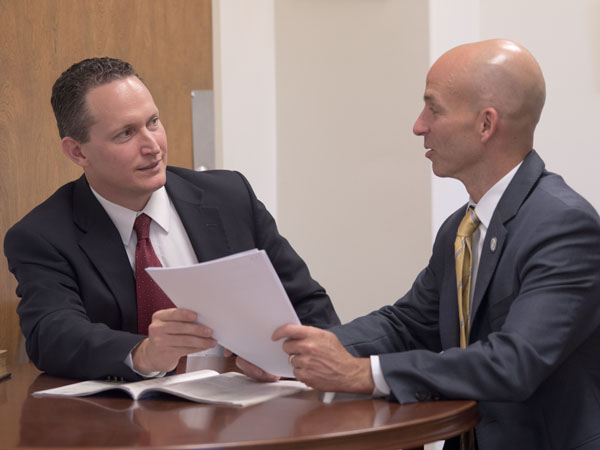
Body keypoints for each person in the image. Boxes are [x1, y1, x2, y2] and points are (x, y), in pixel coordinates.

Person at [242, 40, 600, 449]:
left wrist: (363, 374)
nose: (419, 125)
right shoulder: (461, 228)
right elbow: (408, 324)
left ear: (486, 125)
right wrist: (299, 350)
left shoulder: (563, 225)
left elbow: (513, 363)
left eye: (434, 108)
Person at [4, 57, 339, 382]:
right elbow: (52, 334)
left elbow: (308, 304)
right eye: (126, 134)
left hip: (247, 406)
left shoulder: (230, 197)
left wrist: (293, 362)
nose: (153, 146)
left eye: (153, 122)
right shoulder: (43, 235)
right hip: (125, 428)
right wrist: (144, 353)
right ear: (78, 152)